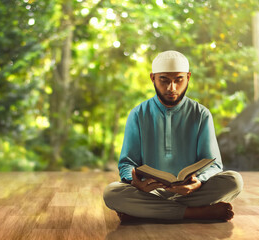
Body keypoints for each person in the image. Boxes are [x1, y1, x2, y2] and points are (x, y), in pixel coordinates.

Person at [103, 50, 243, 222]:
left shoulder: (201, 114)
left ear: (188, 77)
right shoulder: (138, 114)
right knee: (112, 193)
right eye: (164, 80)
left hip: (191, 192)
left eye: (178, 80)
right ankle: (197, 213)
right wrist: (135, 183)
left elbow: (213, 164)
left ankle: (145, 212)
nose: (172, 88)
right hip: (150, 192)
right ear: (152, 78)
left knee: (234, 181)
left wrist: (198, 181)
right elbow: (127, 163)